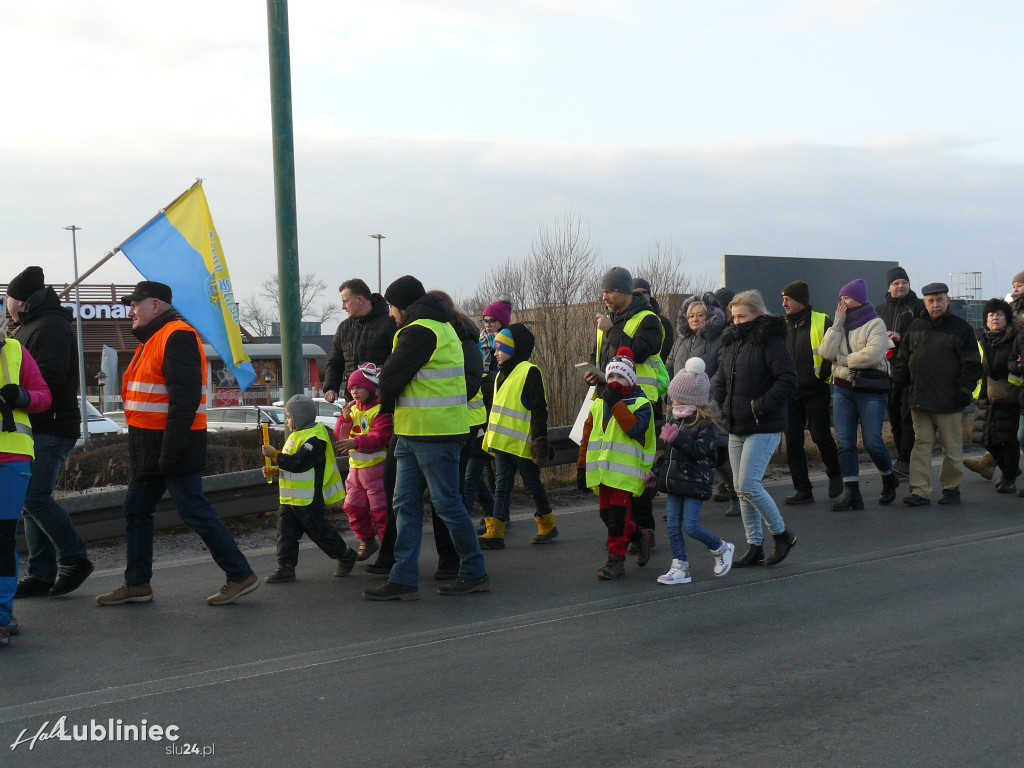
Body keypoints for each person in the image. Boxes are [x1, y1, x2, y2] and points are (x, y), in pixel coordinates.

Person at [95, 281, 259, 606]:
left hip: (170, 446)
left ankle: (240, 574)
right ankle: (138, 584)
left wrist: (169, 452)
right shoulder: (156, 338)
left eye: (135, 304)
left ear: (155, 305)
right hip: (152, 447)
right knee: (136, 509)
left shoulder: (176, 335)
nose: (130, 311)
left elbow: (183, 402)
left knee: (193, 510)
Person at [363, 276, 488, 600]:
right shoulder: (440, 327)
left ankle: (473, 570)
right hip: (414, 431)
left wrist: (384, 401)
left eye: (391, 307)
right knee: (404, 503)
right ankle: (403, 577)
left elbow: (390, 377)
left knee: (446, 504)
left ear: (402, 306)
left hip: (434, 432)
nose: (390, 314)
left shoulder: (421, 330)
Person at [6, 266, 94, 598]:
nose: (7, 304)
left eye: (10, 298)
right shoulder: (31, 327)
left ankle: (75, 558)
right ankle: (42, 573)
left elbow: (49, 379)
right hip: (37, 428)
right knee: (30, 501)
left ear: (23, 301)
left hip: (53, 427)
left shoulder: (50, 327)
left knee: (34, 498)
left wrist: (15, 390)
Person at [711, 290, 799, 567]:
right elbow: (721, 380)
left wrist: (757, 406)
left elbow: (787, 380)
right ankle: (755, 545)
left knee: (748, 484)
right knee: (740, 488)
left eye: (742, 316)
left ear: (758, 315)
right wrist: (719, 404)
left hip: (764, 424)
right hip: (736, 425)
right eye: (733, 317)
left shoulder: (771, 341)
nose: (736, 322)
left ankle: (782, 534)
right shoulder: (730, 342)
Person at [584, 266, 665, 553]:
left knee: (636, 472)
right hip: (608, 402)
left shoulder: (649, 320)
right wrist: (596, 375)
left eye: (609, 291)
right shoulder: (609, 320)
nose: (604, 296)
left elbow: (639, 353)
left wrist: (612, 330)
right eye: (603, 291)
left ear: (624, 292)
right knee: (616, 473)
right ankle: (627, 531)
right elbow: (608, 361)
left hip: (641, 403)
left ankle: (645, 530)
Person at [893, 282, 983, 506]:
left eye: (940, 300)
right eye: (931, 301)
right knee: (921, 446)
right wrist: (897, 388)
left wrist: (964, 391)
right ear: (925, 302)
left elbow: (972, 364)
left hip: (949, 401)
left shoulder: (961, 328)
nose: (936, 304)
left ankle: (951, 489)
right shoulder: (915, 328)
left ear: (948, 301)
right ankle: (920, 491)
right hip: (919, 400)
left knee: (951, 448)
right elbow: (903, 362)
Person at [651, 357, 734, 585]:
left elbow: (700, 452)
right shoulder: (676, 420)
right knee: (671, 526)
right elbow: (668, 455)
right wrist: (656, 472)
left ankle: (720, 547)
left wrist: (678, 439)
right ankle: (680, 567)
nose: (672, 400)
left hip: (695, 483)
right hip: (676, 481)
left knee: (690, 526)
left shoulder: (705, 425)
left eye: (676, 396)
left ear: (690, 398)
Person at [818, 279, 899, 510]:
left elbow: (873, 355)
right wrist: (837, 323)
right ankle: (852, 493)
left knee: (873, 441)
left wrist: (842, 360)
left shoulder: (875, 323)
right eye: (840, 298)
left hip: (869, 389)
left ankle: (888, 477)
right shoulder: (840, 324)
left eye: (847, 298)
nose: (842, 302)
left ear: (859, 299)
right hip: (843, 389)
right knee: (845, 443)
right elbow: (825, 352)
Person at [261, 394, 358, 583]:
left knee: (319, 531)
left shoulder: (315, 439)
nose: (287, 421)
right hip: (290, 498)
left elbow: (297, 463)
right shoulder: (297, 435)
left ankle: (345, 555)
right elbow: (290, 465)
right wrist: (274, 470)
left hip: (308, 499)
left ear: (301, 416)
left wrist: (275, 455)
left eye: (289, 416)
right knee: (285, 533)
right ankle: (285, 568)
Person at [577, 348, 656, 579]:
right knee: (606, 516)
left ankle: (616, 561)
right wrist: (581, 467)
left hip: (626, 474)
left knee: (617, 519)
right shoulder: (598, 404)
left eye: (620, 376)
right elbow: (586, 437)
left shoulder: (641, 403)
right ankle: (641, 537)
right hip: (603, 473)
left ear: (630, 378)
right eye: (610, 376)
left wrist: (614, 402)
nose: (614, 381)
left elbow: (633, 428)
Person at [479, 323, 556, 548]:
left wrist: (539, 442)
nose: (496, 352)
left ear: (514, 349)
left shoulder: (529, 371)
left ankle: (547, 525)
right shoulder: (499, 375)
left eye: (500, 348)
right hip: (503, 444)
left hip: (522, 444)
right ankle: (496, 532)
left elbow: (539, 410)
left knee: (532, 485)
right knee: (501, 487)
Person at [0, 325, 52, 647]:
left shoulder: (16, 351)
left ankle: (1, 618)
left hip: (13, 457)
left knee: (3, 538)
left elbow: (44, 397)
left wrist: (23, 397)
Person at [668, 292, 737, 515]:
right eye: (691, 315)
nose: (695, 319)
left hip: (708, 405)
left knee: (717, 452)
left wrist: (703, 393)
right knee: (677, 452)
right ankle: (677, 503)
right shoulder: (680, 342)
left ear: (709, 317)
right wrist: (670, 392)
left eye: (700, 315)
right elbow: (669, 367)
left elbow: (722, 370)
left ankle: (735, 494)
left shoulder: (720, 339)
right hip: (679, 407)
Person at [780, 280, 844, 504]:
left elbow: (833, 350)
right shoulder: (782, 324)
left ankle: (835, 475)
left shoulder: (821, 320)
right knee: (794, 442)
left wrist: (823, 376)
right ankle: (803, 489)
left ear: (801, 300)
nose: (784, 303)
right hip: (790, 393)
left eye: (788, 298)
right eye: (783, 298)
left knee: (820, 435)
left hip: (815, 389)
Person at [966, 271, 1024, 480]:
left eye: (999, 314)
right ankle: (1004, 468)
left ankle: (1008, 474)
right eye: (991, 315)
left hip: (1010, 394)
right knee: (985, 437)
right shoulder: (979, 338)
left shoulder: (1014, 337)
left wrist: (1014, 366)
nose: (995, 318)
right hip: (984, 393)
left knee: (1010, 438)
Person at [334, 364, 392, 561]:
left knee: (380, 513)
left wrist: (355, 441)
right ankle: (367, 540)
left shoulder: (380, 410)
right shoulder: (352, 410)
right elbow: (340, 437)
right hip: (355, 471)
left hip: (376, 471)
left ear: (371, 388)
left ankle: (389, 553)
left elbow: (380, 437)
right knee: (353, 508)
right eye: (351, 388)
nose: (354, 392)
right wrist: (344, 420)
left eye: (359, 387)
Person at [875, 267, 925, 477]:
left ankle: (906, 459)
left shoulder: (919, 307)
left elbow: (925, 336)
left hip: (910, 371)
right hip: (886, 371)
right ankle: (902, 460)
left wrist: (900, 337)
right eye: (896, 283)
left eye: (904, 282)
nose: (901, 286)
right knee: (894, 417)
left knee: (906, 417)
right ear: (889, 286)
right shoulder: (879, 310)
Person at [323, 278, 397, 403]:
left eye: (345, 301)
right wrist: (330, 387)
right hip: (353, 405)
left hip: (381, 404)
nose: (343, 307)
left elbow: (397, 362)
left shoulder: (390, 324)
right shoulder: (344, 328)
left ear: (360, 300)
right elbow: (335, 363)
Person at [633, 278, 674, 366]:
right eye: (636, 292)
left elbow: (667, 352)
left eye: (644, 292)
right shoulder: (625, 320)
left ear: (649, 295)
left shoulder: (662, 322)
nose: (641, 295)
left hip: (655, 375)